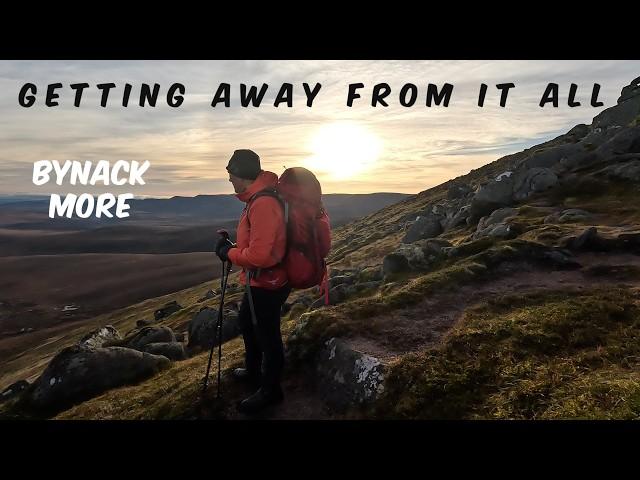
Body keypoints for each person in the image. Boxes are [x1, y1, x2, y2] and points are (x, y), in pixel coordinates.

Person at [215, 149, 291, 414]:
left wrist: (229, 253)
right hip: (261, 280)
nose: (229, 180)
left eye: (231, 174)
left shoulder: (263, 204)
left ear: (243, 175)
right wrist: (235, 246)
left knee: (268, 336)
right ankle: (252, 372)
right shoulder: (258, 198)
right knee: (249, 323)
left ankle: (271, 392)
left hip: (268, 282)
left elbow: (260, 255)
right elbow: (261, 242)